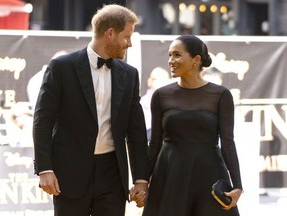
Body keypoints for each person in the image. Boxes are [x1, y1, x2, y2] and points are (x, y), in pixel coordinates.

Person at [33, 4, 149, 216]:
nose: (129, 44)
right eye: (126, 37)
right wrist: (44, 168)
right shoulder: (61, 66)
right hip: (69, 172)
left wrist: (141, 179)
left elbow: (136, 132)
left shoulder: (129, 74)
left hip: (113, 174)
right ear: (110, 33)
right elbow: (43, 119)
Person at [142, 35, 243, 216]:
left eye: (177, 55)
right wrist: (142, 180)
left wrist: (238, 186)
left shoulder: (220, 95)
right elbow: (154, 144)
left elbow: (228, 141)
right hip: (170, 174)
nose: (171, 61)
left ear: (196, 60)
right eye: (170, 55)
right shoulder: (161, 95)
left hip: (208, 175)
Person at [140, 67, 171, 141]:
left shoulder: (169, 99)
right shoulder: (145, 101)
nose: (163, 83)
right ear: (151, 81)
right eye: (159, 80)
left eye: (165, 80)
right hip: (150, 135)